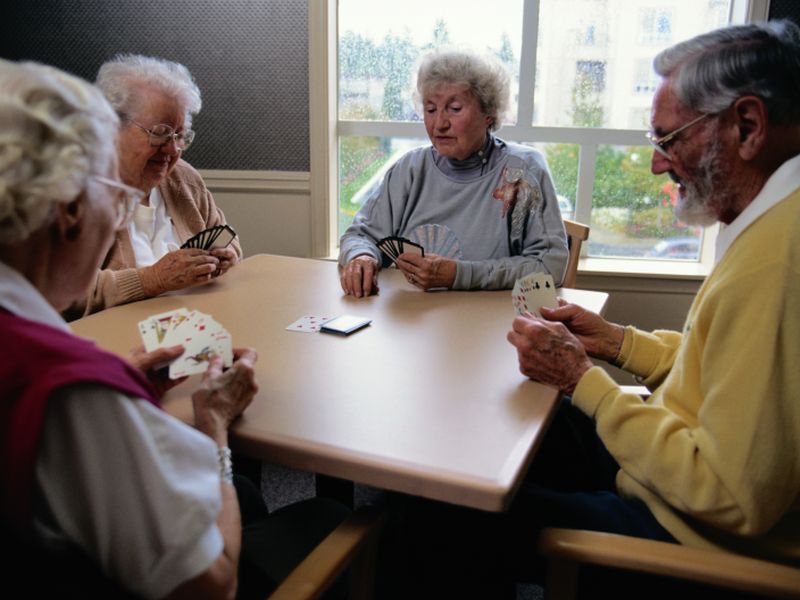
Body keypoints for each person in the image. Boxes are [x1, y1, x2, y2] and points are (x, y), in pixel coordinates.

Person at [0, 60, 347, 598]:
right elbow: (212, 586)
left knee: (251, 501)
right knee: (327, 512)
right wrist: (213, 429)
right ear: (70, 212)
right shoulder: (77, 394)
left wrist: (117, 374)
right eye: (110, 199)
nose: (118, 213)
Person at [504, 18, 800, 578]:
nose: (656, 163)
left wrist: (580, 379)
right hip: (669, 471)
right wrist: (617, 343)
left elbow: (731, 499)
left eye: (669, 139)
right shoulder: (773, 219)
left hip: (684, 540)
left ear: (748, 125)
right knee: (515, 440)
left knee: (440, 514)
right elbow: (721, 370)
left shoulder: (781, 257)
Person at [338, 49, 568, 297]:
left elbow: (548, 266)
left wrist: (459, 274)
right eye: (430, 109)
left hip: (488, 326)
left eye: (455, 108)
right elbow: (361, 234)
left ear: (488, 113)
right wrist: (361, 256)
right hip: (411, 324)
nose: (439, 124)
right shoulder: (409, 169)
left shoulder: (522, 172)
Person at [64, 54, 242, 319]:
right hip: (109, 341)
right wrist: (150, 280)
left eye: (179, 136)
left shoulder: (183, 178)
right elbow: (58, 295)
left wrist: (225, 256)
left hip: (191, 327)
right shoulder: (71, 191)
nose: (172, 150)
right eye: (159, 133)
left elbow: (228, 238)